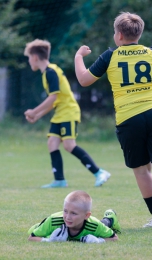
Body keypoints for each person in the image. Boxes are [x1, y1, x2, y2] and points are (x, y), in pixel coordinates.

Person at [74, 12, 152, 232]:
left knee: (141, 170)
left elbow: (83, 79)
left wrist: (79, 56)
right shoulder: (151, 53)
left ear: (118, 35)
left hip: (129, 118)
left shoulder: (111, 56)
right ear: (140, 33)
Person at [23, 39, 111, 188]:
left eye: (29, 57)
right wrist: (37, 116)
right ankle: (59, 180)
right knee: (52, 142)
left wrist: (34, 111)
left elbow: (53, 98)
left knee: (69, 145)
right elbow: (54, 101)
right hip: (61, 112)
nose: (29, 61)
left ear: (35, 57)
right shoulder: (47, 73)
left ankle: (99, 172)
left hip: (69, 111)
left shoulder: (50, 72)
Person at [27, 190, 121, 243]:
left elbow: (114, 238)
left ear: (86, 215)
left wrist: (98, 241)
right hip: (46, 225)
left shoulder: (94, 225)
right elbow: (32, 237)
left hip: (92, 222)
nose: (67, 217)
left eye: (73, 213)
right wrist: (48, 240)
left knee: (102, 224)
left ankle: (110, 218)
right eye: (65, 211)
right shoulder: (53, 221)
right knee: (31, 230)